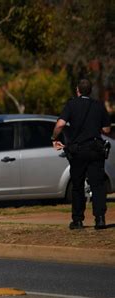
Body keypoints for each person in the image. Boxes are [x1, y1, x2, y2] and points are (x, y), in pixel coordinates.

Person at [51, 79, 111, 230]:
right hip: (95, 149)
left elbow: (60, 124)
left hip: (77, 151)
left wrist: (54, 138)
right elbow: (106, 130)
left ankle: (77, 220)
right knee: (97, 185)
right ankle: (100, 219)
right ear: (90, 91)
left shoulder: (71, 104)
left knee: (77, 185)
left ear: (77, 90)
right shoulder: (98, 105)